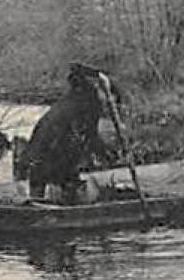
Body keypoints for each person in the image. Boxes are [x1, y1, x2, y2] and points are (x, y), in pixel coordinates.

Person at [19, 63, 116, 203]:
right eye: (109, 96)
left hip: (42, 155)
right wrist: (105, 153)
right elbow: (91, 134)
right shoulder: (90, 103)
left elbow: (87, 136)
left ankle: (46, 201)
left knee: (43, 184)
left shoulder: (74, 98)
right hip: (53, 152)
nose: (109, 101)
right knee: (59, 181)